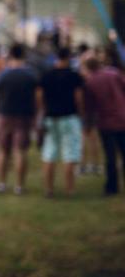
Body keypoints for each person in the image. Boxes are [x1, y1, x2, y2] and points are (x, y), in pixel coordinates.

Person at [0, 44, 39, 195]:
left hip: (5, 115)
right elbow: (37, 97)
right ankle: (19, 186)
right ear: (23, 55)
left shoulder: (3, 74)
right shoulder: (31, 75)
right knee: (20, 151)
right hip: (24, 116)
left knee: (3, 151)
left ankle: (1, 184)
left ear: (11, 55)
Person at [38, 47, 84, 197]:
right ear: (69, 57)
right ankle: (69, 189)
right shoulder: (74, 76)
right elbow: (78, 98)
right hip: (69, 117)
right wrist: (81, 114)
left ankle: (49, 189)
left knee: (49, 153)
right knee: (70, 153)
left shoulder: (46, 75)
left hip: (51, 117)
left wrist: (44, 110)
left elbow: (39, 97)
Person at [83, 57, 125, 196]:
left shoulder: (91, 82)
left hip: (106, 122)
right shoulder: (114, 73)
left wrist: (87, 125)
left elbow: (89, 107)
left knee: (110, 155)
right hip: (122, 118)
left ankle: (112, 187)